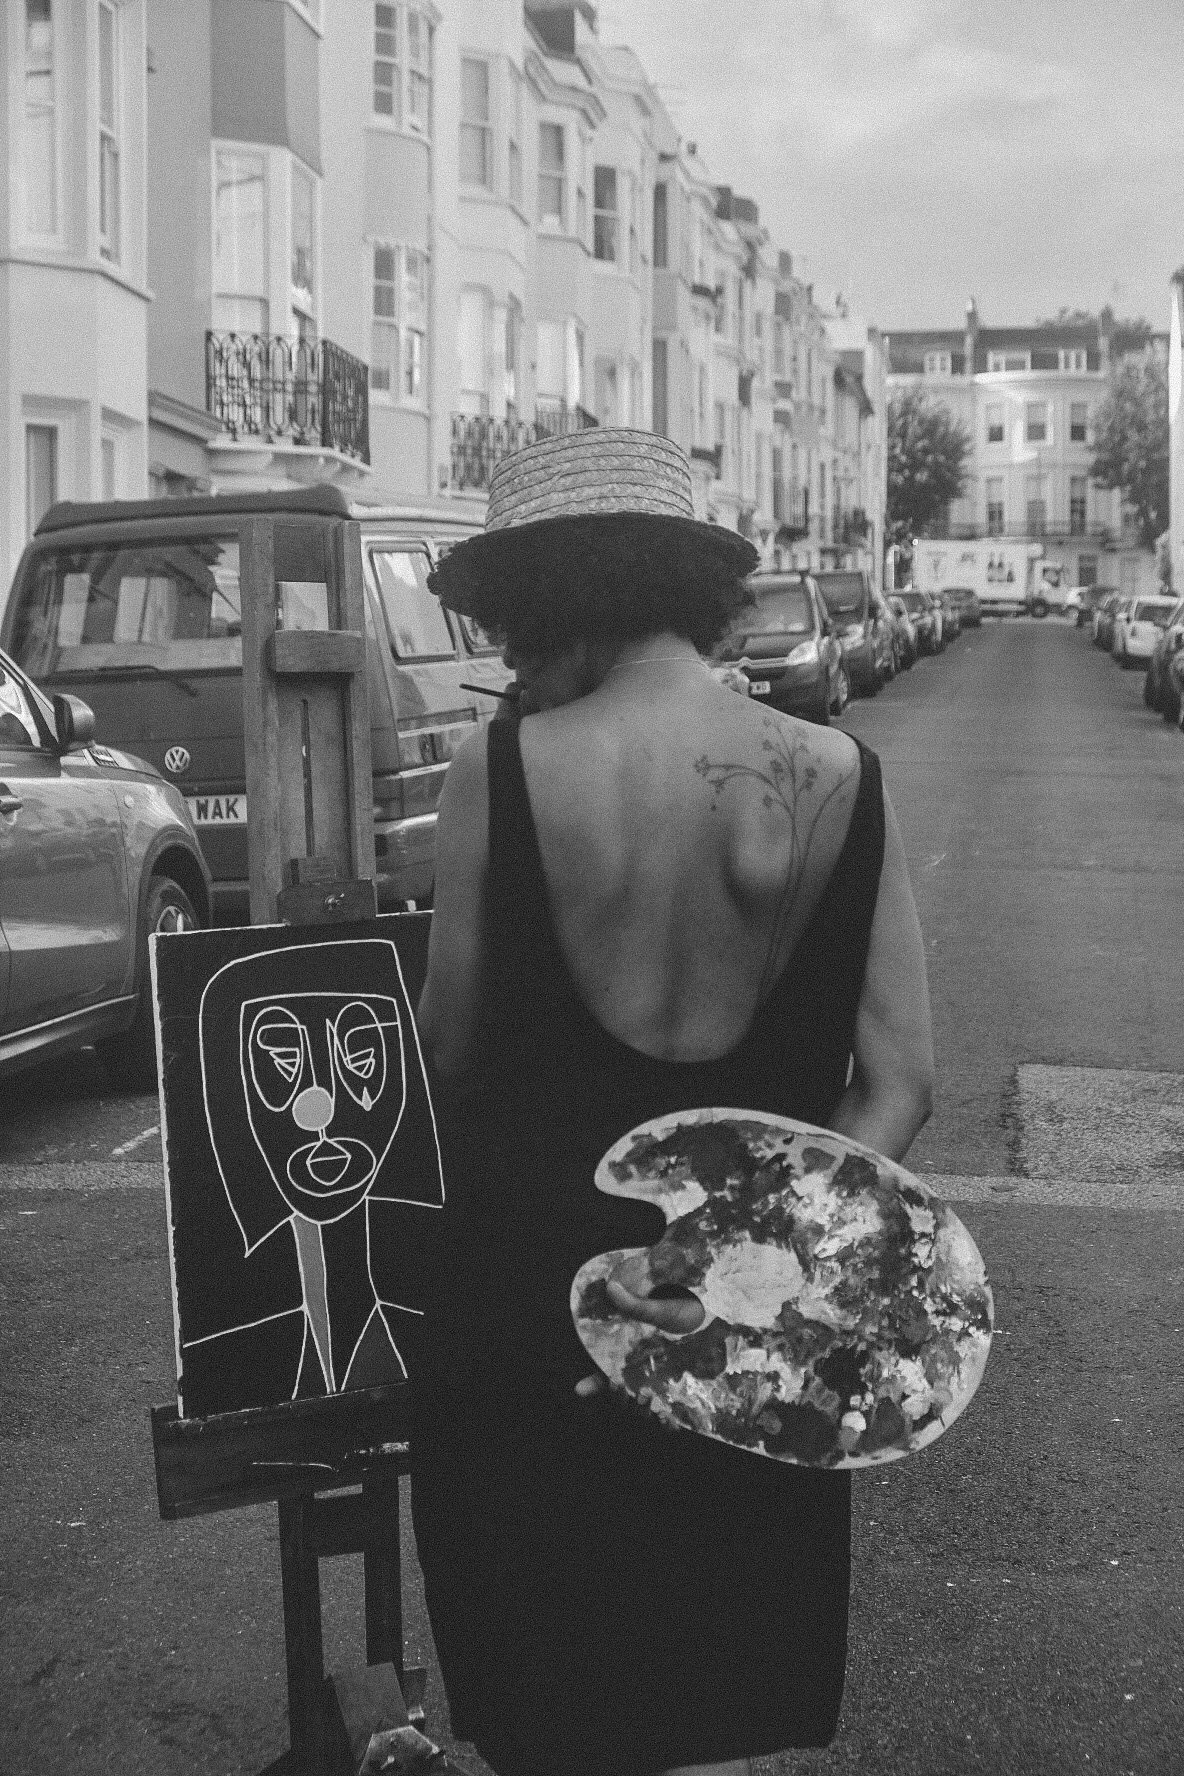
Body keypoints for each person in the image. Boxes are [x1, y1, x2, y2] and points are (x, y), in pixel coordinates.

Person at [411, 428, 935, 1776]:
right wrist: (737, 1247)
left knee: (556, 1706)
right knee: (715, 1695)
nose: (517, 667)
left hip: (536, 1314)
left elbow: (453, 1052)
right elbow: (902, 1083)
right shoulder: (837, 777)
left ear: (552, 599)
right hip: (749, 1316)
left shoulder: (500, 768)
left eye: (517, 634)